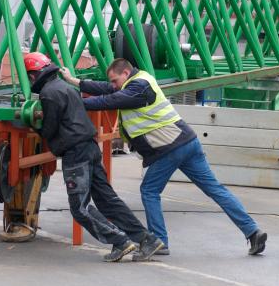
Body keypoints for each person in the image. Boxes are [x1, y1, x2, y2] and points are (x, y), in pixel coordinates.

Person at [60, 58, 267, 256]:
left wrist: (73, 103)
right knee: (215, 189)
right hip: (187, 141)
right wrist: (74, 81)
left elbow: (110, 99)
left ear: (125, 72)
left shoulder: (138, 87)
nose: (113, 84)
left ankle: (159, 241)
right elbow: (106, 89)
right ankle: (252, 231)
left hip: (171, 147)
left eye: (115, 79)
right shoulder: (137, 81)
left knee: (149, 191)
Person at [24, 52, 164, 262]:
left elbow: (50, 128)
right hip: (90, 148)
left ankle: (121, 242)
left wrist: (34, 126)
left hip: (76, 153)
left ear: (33, 76)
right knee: (107, 201)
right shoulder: (66, 88)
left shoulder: (48, 94)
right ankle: (147, 239)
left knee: (79, 208)